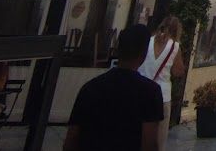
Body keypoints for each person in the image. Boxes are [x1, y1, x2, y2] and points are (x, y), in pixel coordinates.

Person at [64, 24, 165, 151]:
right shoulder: (150, 92)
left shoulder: (90, 87)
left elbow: (72, 138)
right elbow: (149, 143)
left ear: (118, 49)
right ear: (144, 54)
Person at [136, 15, 185, 145]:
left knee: (137, 134)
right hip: (162, 95)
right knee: (159, 137)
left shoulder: (148, 41)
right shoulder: (175, 47)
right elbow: (178, 71)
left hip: (140, 91)